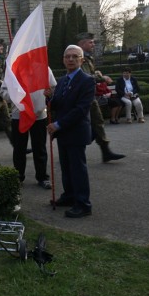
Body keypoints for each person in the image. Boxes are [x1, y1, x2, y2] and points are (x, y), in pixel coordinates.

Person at [46, 45, 94, 218]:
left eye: (75, 56)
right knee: (66, 167)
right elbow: (58, 103)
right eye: (68, 57)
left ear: (82, 60)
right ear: (63, 59)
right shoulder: (63, 80)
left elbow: (80, 110)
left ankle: (83, 204)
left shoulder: (87, 80)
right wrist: (49, 98)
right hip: (63, 133)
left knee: (77, 169)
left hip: (76, 132)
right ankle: (69, 196)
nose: (71, 59)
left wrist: (57, 125)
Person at [1, 68, 56, 189]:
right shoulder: (13, 68)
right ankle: (18, 176)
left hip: (39, 114)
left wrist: (49, 94)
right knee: (19, 147)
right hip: (19, 114)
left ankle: (42, 177)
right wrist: (16, 97)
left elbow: (53, 86)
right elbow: (3, 91)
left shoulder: (43, 66)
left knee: (40, 147)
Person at [76, 32, 125, 162]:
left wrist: (96, 73)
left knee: (95, 123)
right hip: (84, 97)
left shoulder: (87, 58)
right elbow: (84, 77)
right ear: (82, 44)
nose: (93, 44)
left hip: (89, 96)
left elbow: (88, 74)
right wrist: (102, 78)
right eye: (90, 42)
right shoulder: (79, 57)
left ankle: (103, 151)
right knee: (94, 123)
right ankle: (75, 150)